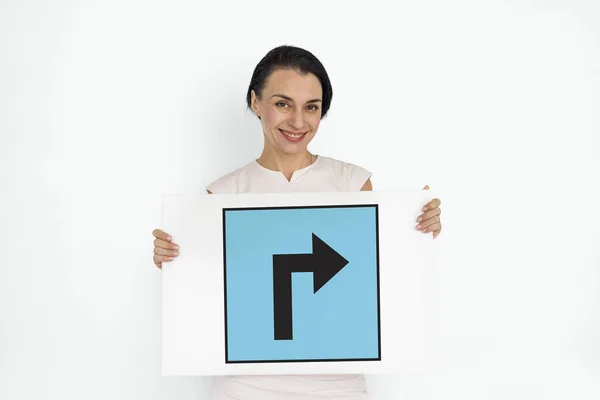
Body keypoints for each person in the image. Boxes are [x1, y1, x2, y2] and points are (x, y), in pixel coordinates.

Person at [152, 45, 443, 400]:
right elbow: (208, 296)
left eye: (311, 107)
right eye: (282, 103)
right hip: (245, 384)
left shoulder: (352, 184)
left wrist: (415, 227)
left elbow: (381, 276)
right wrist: (172, 259)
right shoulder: (223, 195)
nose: (298, 122)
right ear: (256, 102)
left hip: (338, 383)